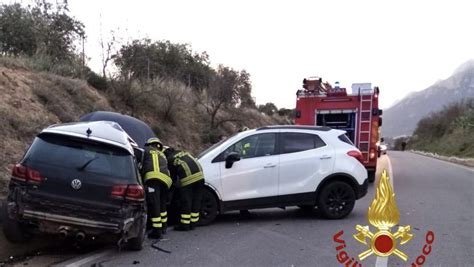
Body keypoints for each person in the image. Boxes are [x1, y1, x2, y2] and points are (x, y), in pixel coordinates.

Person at [163, 147, 205, 231]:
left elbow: (172, 177)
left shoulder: (170, 159)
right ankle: (193, 223)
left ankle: (185, 225)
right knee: (196, 200)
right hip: (200, 177)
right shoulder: (183, 152)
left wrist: (169, 189)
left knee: (186, 202)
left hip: (188, 180)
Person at [141, 137, 173, 239]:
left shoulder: (146, 150)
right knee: (162, 205)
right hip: (166, 181)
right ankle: (163, 227)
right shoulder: (162, 154)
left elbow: (140, 164)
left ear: (149, 144)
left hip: (153, 179)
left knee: (154, 204)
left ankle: (156, 231)